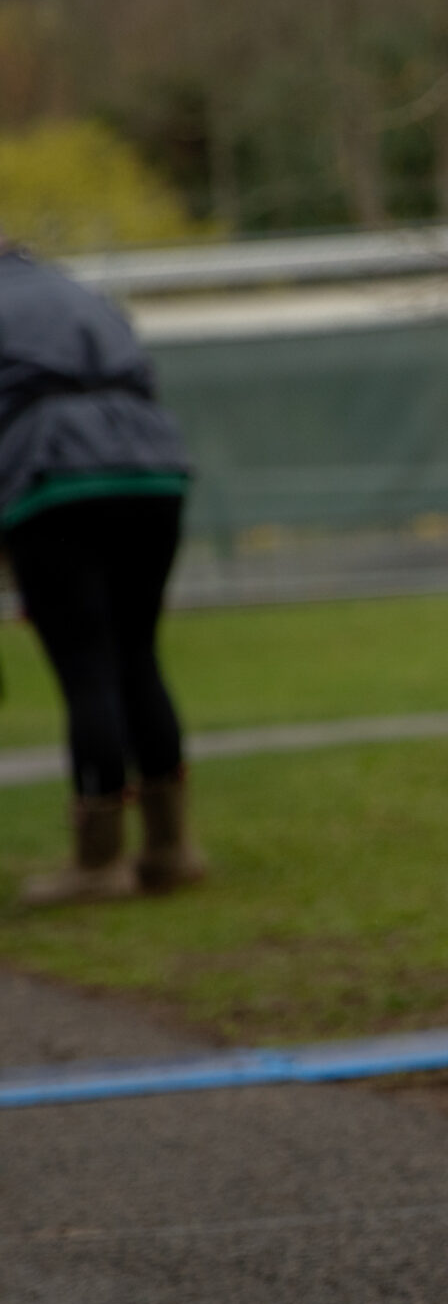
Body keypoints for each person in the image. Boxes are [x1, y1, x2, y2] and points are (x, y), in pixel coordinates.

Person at [0, 238, 204, 907]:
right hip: (153, 467)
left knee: (85, 665)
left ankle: (99, 861)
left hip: (55, 473)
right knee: (137, 653)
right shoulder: (78, 292)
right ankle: (170, 847)